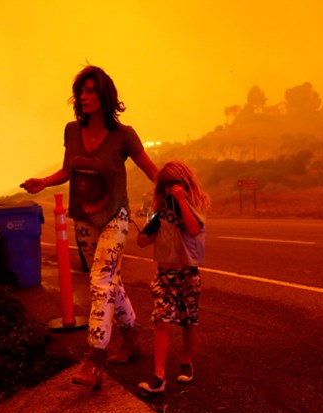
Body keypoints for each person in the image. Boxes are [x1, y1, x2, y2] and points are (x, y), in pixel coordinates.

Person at [21, 65, 158, 389]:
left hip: (115, 218)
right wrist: (43, 181)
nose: (83, 97)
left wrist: (177, 188)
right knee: (110, 282)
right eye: (80, 91)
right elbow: (68, 169)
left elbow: (153, 171)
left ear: (105, 96)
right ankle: (132, 339)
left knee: (100, 280)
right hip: (84, 220)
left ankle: (94, 358)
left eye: (91, 90)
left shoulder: (124, 135)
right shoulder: (72, 131)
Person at [136, 161, 210, 393]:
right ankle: (159, 376)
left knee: (189, 321)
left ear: (185, 182)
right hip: (165, 273)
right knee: (162, 321)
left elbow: (193, 229)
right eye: (166, 185)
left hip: (188, 271)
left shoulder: (195, 204)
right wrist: (144, 239)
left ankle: (187, 361)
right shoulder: (162, 210)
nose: (171, 189)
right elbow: (149, 237)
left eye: (176, 183)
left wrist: (181, 200)